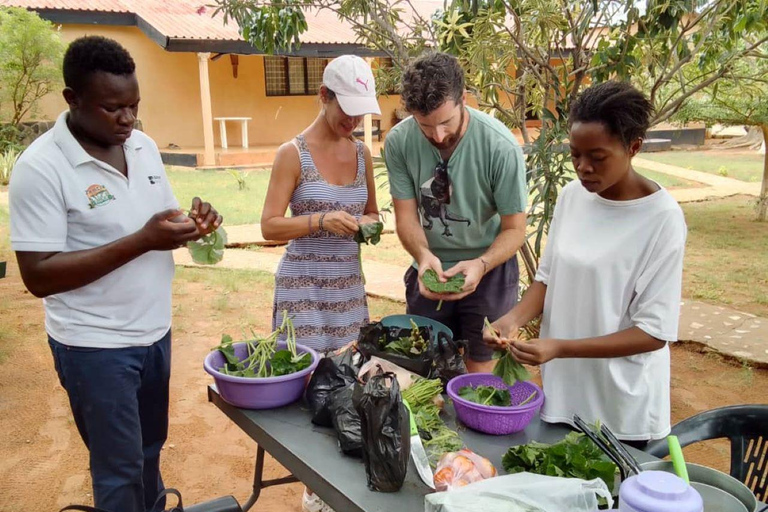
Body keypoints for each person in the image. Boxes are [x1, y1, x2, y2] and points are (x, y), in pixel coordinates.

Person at [9, 36, 222, 512]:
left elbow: (163, 217)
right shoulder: (41, 168)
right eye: (112, 108)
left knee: (147, 454)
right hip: (94, 347)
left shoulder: (142, 146)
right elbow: (37, 276)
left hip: (154, 335)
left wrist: (196, 223)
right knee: (119, 470)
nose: (128, 119)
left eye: (134, 106)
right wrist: (143, 240)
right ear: (72, 99)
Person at [485, 81, 687, 446]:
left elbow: (653, 333)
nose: (583, 167)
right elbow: (548, 279)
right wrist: (511, 319)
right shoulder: (572, 197)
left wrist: (560, 347)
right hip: (564, 394)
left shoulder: (662, 219)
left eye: (597, 156)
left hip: (621, 407)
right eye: (575, 154)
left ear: (633, 147)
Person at [384, 52, 528, 373]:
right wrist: (423, 257)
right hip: (429, 270)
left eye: (445, 122)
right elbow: (406, 217)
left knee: (481, 369)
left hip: (489, 269)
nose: (437, 135)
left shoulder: (500, 146)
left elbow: (515, 229)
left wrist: (481, 263)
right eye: (425, 125)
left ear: (463, 98)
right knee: (424, 366)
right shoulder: (397, 142)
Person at [261, 55, 381, 356]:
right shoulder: (292, 153)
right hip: (302, 289)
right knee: (304, 377)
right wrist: (320, 220)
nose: (353, 122)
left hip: (348, 289)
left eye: (360, 113)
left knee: (348, 375)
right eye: (347, 111)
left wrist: (369, 224)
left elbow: (372, 212)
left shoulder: (361, 153)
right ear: (324, 95)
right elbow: (269, 226)